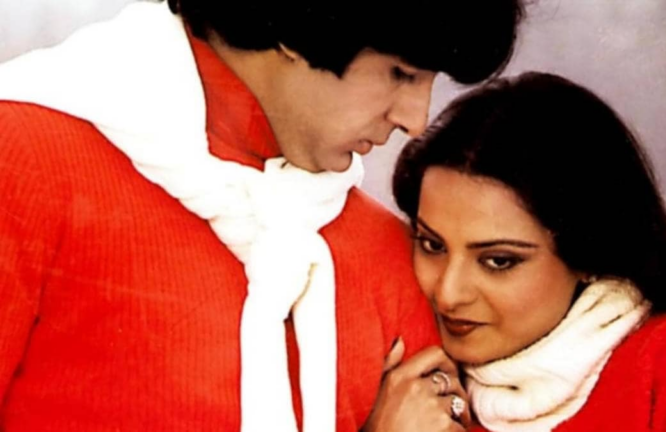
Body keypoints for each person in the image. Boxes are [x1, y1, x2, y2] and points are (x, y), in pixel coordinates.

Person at [0, 1, 525, 431]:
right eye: (401, 74)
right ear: (300, 29)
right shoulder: (24, 161)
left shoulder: (387, 252)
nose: (415, 120)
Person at [367, 72, 666, 431]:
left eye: (498, 261)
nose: (449, 293)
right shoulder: (409, 397)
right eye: (432, 245)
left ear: (590, 254)